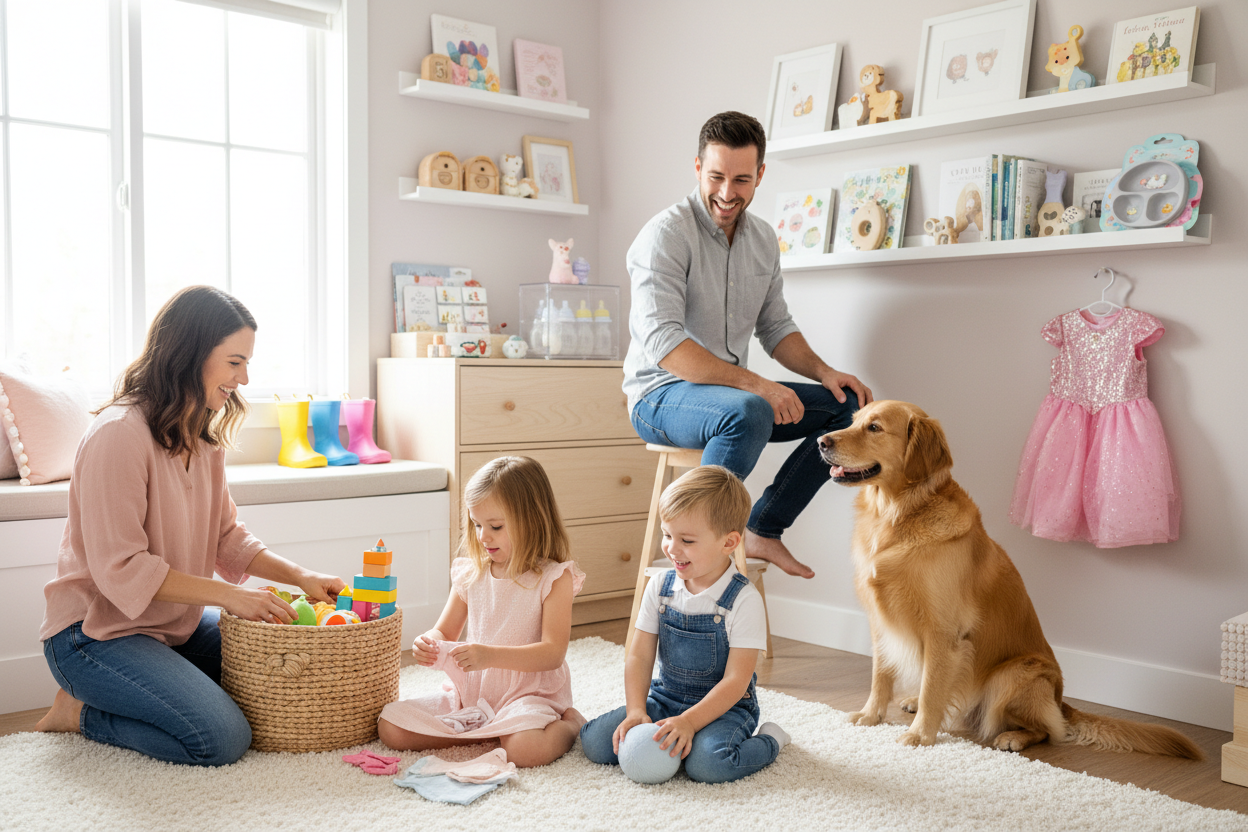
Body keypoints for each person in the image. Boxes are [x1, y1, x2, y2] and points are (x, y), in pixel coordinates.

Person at [35, 285, 346, 766]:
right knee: (220, 738)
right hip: (93, 635)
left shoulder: (202, 436)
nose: (244, 378)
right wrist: (231, 596)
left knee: (287, 670)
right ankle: (77, 712)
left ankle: (162, 675)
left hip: (169, 624)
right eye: (235, 362)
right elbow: (121, 568)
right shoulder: (118, 435)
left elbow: (227, 537)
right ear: (192, 354)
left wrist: (300, 577)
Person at [623, 110, 874, 579]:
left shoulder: (761, 238)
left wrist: (825, 374)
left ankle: (763, 528)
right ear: (697, 167)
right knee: (749, 410)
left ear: (760, 175)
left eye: (741, 179)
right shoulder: (665, 236)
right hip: (660, 395)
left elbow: (775, 326)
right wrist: (759, 387)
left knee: (847, 410)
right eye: (715, 176)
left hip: (727, 397)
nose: (726, 192)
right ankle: (698, 554)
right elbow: (666, 344)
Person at [580, 465, 790, 783]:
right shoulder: (660, 587)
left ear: (729, 542)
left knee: (708, 766)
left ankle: (772, 740)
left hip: (725, 707)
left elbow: (736, 681)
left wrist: (690, 722)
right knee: (596, 743)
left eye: (687, 540)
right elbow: (638, 655)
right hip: (666, 697)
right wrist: (637, 709)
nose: (672, 549)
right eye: (667, 535)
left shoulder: (743, 599)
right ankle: (676, 738)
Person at [377, 456, 587, 768]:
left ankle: (568, 725)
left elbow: (552, 653)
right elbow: (444, 632)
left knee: (525, 751)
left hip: (527, 695)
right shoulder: (470, 573)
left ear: (533, 519)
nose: (483, 536)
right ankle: (486, 728)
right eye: (476, 524)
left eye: (496, 526)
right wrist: (428, 642)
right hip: (473, 695)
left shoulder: (554, 578)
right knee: (391, 726)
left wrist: (488, 656)